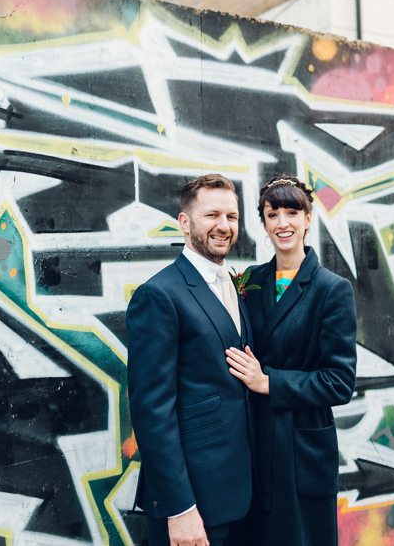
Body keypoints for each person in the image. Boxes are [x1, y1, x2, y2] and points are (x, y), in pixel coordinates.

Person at [225, 175, 357, 546]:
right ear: (263, 224)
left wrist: (268, 382)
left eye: (292, 212)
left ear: (308, 218)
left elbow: (340, 382)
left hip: (300, 448)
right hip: (251, 440)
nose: (283, 222)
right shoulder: (250, 281)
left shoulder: (332, 289)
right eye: (273, 214)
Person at [127, 174, 253, 546]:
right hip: (193, 506)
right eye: (211, 214)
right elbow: (151, 410)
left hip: (239, 497)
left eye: (231, 216)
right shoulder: (159, 295)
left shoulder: (231, 282)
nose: (223, 226)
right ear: (185, 223)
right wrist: (179, 509)